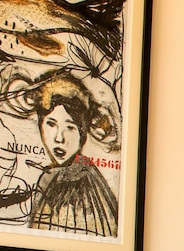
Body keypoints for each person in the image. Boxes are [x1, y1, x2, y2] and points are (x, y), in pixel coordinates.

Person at [29, 73, 118, 236]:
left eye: (70, 128)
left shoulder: (84, 179)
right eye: (51, 124)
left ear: (82, 133)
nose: (59, 138)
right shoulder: (49, 176)